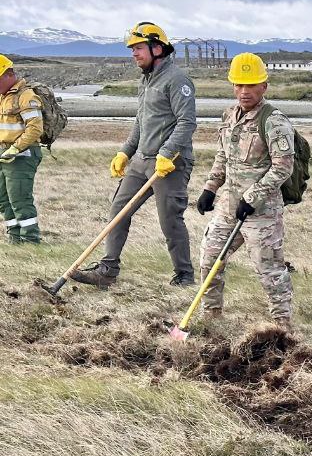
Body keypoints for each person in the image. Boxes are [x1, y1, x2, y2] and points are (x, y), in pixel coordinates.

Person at [71, 22, 197, 287]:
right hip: (141, 161)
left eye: (138, 48)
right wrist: (125, 152)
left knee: (170, 220)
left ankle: (184, 274)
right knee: (118, 211)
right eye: (132, 49)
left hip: (171, 163)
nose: (134, 54)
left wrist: (167, 153)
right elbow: (141, 121)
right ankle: (107, 271)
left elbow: (187, 122)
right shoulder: (146, 79)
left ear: (157, 48)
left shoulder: (177, 80)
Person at [193, 53, 296, 329]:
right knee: (209, 259)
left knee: (269, 268)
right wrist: (210, 188)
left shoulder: (274, 121)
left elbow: (283, 168)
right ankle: (211, 316)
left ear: (264, 86)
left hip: (261, 212)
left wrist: (252, 197)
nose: (243, 91)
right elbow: (222, 157)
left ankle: (282, 324)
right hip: (228, 207)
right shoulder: (229, 115)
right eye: (238, 85)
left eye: (250, 85)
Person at [0, 54, 45, 243]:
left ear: (8, 75)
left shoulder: (26, 96)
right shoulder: (3, 97)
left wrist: (15, 149)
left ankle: (30, 240)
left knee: (19, 199)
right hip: (4, 152)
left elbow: (35, 128)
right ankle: (15, 237)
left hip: (22, 155)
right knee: (3, 199)